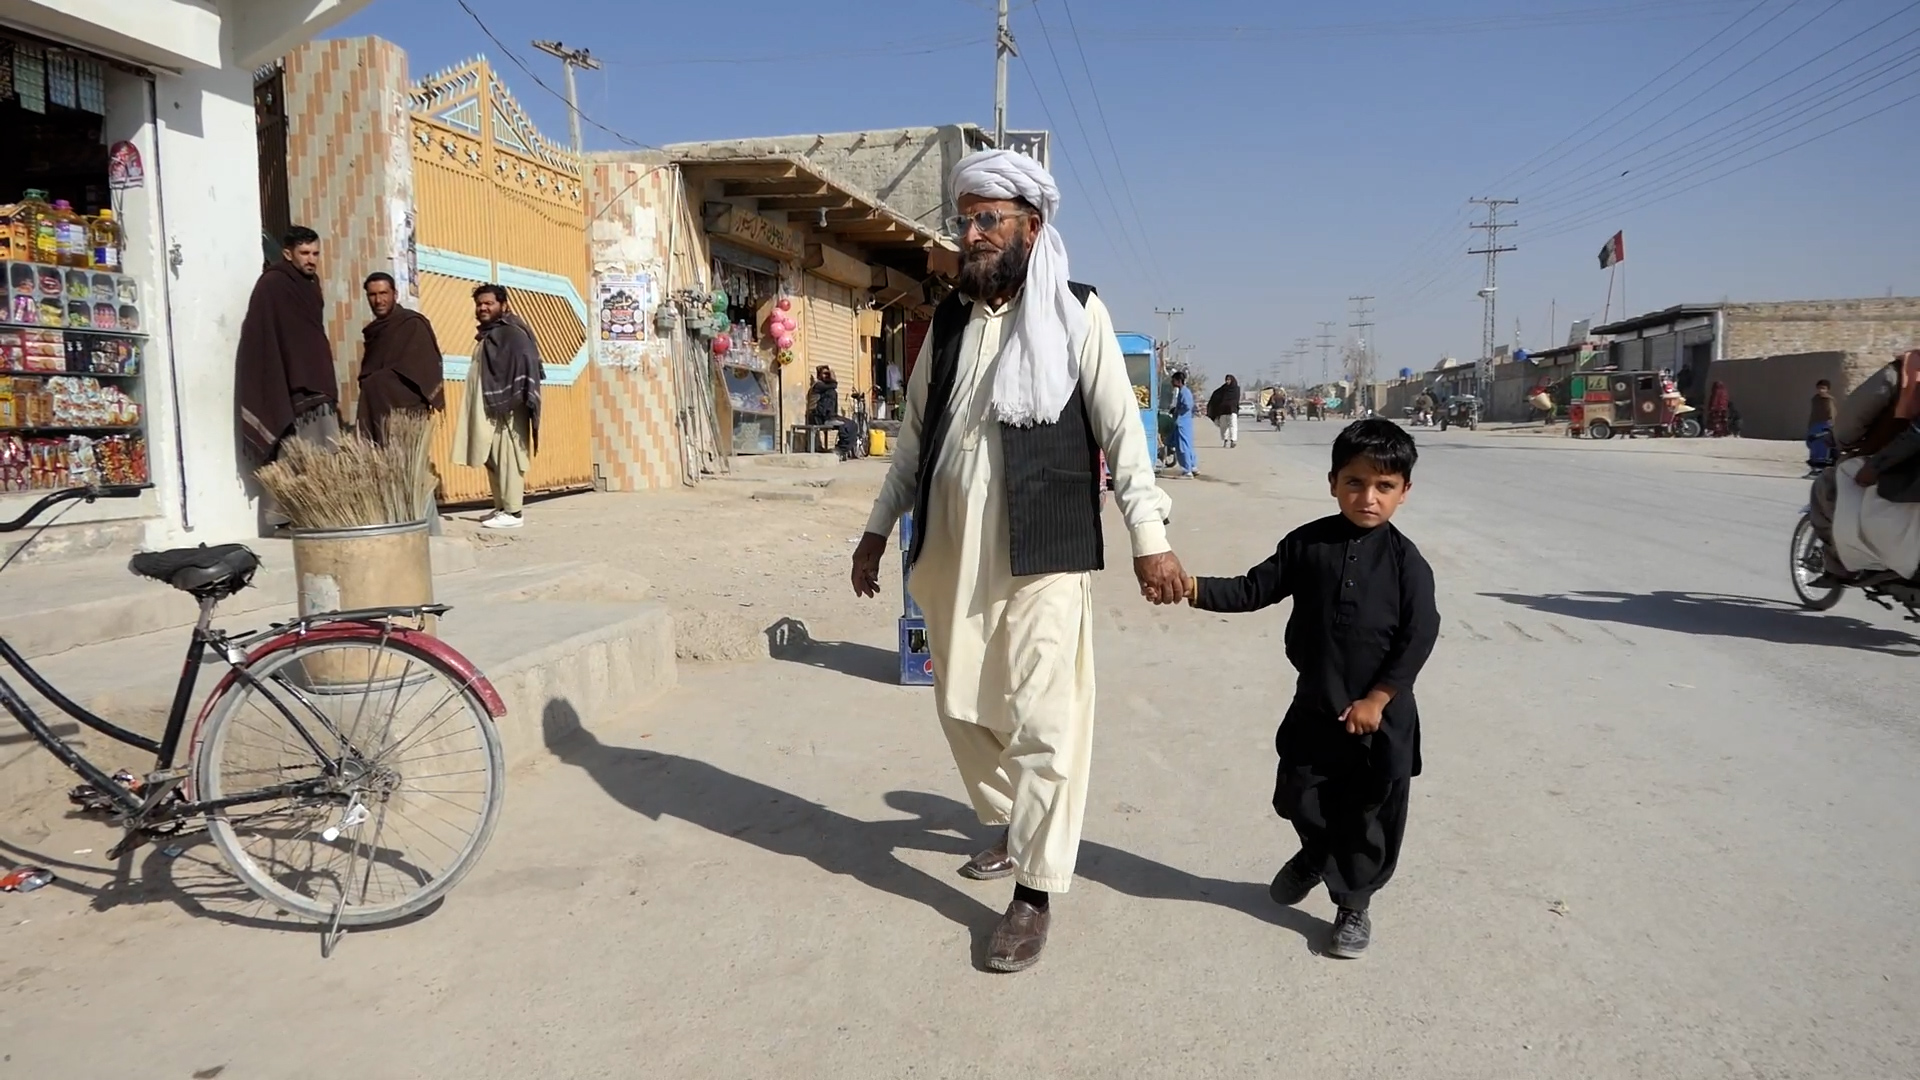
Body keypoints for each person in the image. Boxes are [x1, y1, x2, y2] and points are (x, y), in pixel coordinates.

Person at [851, 148, 1183, 973]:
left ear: (1031, 226)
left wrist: (1151, 537)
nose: (971, 235)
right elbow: (915, 438)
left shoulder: (1077, 312)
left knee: (1043, 718)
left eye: (987, 220)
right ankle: (1006, 821)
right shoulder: (952, 324)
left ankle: (1033, 890)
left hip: (1045, 551)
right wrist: (873, 529)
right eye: (964, 220)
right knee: (962, 705)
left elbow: (1122, 434)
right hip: (951, 554)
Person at [1162, 419, 1439, 959]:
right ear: (1333, 481)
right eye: (1355, 482)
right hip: (1315, 709)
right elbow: (1252, 588)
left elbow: (1418, 637)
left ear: (1405, 491)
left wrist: (1378, 699)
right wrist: (1190, 588)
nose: (1368, 497)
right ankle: (1316, 855)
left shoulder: (1409, 565)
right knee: (1296, 797)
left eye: (1384, 487)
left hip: (1379, 722)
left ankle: (1352, 906)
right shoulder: (1307, 544)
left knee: (1367, 819)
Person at [237, 225, 337, 467]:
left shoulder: (312, 284)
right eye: (304, 253)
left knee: (326, 460)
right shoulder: (272, 284)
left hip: (316, 384)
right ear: (287, 253)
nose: (311, 260)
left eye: (315, 253)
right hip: (290, 388)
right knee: (297, 462)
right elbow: (262, 336)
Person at [452, 284, 541, 530]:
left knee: (509, 457)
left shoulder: (511, 332)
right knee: (491, 457)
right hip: (489, 407)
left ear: (503, 304)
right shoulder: (490, 334)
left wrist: (512, 396)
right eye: (480, 304)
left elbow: (527, 360)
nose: (483, 308)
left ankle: (514, 512)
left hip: (507, 408)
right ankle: (502, 507)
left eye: (489, 303)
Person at [356, 272, 445, 442]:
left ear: (394, 295)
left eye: (383, 293)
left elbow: (422, 368)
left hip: (406, 413)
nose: (378, 300)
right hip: (376, 410)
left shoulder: (412, 324)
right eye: (372, 295)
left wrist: (377, 381)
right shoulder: (374, 331)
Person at [1806, 378, 1837, 478]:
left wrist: (1831, 425)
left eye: (1823, 388)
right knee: (1813, 445)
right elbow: (1813, 413)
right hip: (1815, 424)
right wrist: (1810, 424)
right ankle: (1814, 469)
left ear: (1827, 389)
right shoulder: (1815, 399)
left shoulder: (1829, 400)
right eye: (1819, 388)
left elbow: (1832, 413)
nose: (1821, 390)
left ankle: (1821, 470)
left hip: (1825, 425)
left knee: (1822, 447)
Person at [1171, 370, 1198, 476]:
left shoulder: (1184, 392)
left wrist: (1178, 411)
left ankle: (1188, 470)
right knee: (1187, 445)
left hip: (1182, 422)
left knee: (1183, 446)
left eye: (1173, 380)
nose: (1172, 383)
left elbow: (1187, 405)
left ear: (1178, 381)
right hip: (1184, 422)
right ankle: (1192, 466)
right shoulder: (1184, 391)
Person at [1208, 373, 1242, 449]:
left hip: (1232, 410)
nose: (1227, 381)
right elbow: (1216, 396)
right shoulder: (1223, 389)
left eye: (1229, 380)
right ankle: (1225, 440)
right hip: (1223, 411)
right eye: (1226, 380)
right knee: (1223, 427)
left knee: (1233, 426)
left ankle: (1233, 441)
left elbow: (1236, 400)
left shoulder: (1236, 389)